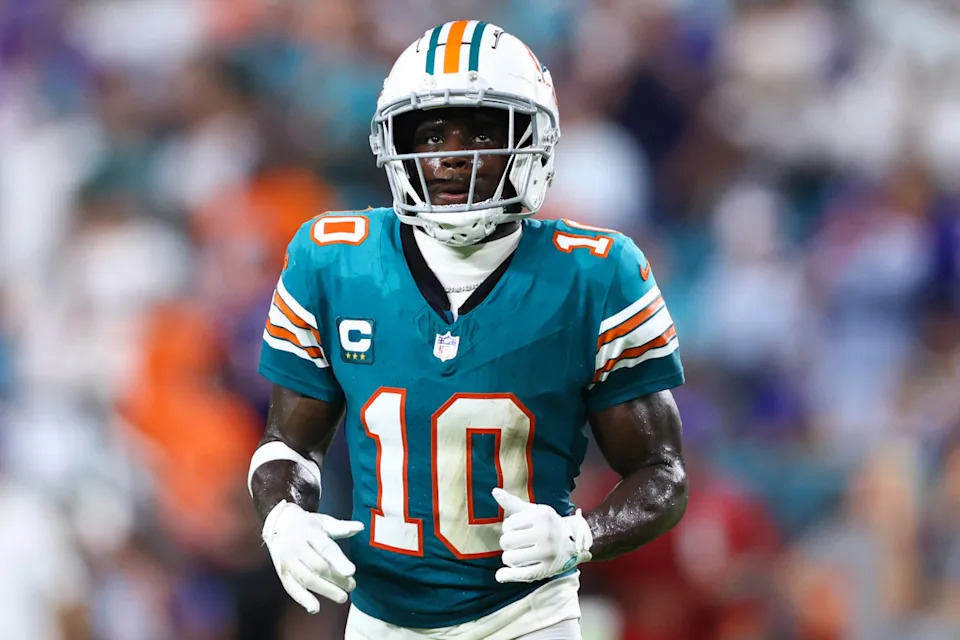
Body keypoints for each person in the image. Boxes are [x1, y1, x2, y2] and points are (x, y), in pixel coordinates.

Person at [248, 20, 688, 640]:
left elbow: (661, 472)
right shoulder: (333, 259)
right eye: (430, 133)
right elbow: (289, 447)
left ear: (533, 143)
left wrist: (580, 535)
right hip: (379, 620)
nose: (452, 151)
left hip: (526, 617)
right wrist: (283, 519)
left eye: (482, 131)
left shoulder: (595, 274)